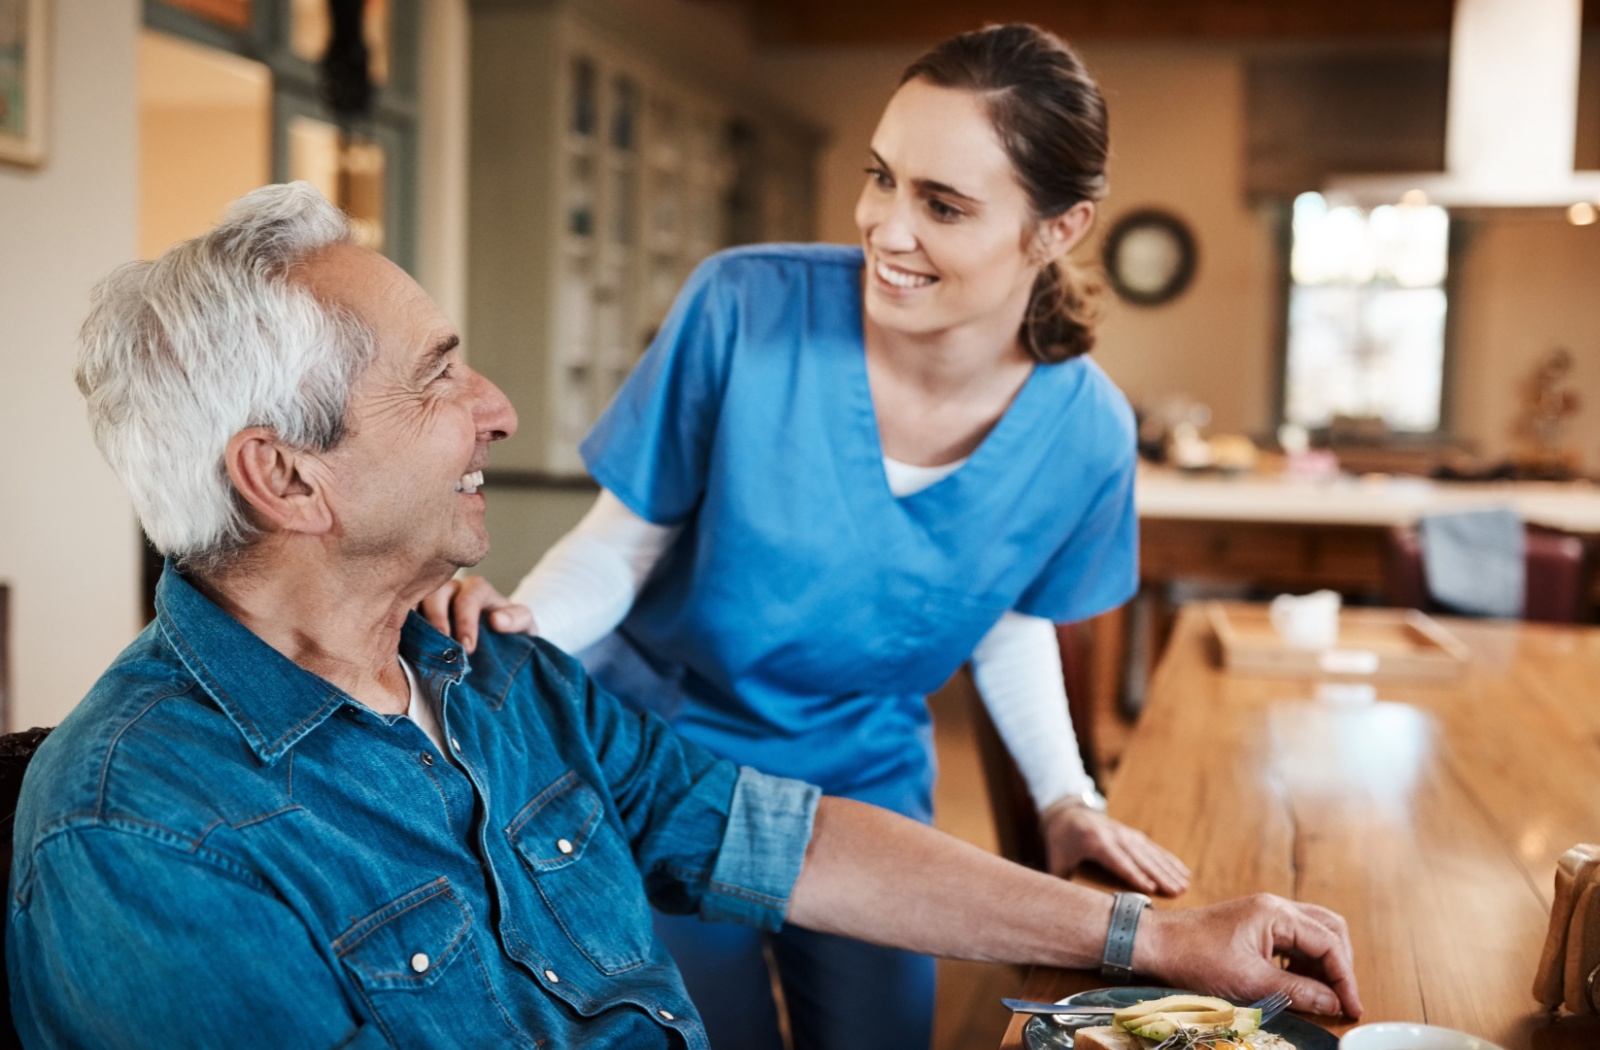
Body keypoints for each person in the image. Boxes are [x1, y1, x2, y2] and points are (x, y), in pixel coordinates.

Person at [6, 183, 1363, 1048]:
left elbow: (789, 839)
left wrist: (1162, 939)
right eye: (438, 380)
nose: (499, 409)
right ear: (286, 476)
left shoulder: (490, 675)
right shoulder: (139, 838)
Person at [429, 24, 1184, 1050]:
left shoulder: (1086, 429)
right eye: (882, 178)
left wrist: (1064, 796)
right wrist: (519, 633)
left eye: (943, 204)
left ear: (1057, 228)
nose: (887, 227)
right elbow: (623, 545)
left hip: (865, 779)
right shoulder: (745, 306)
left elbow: (1003, 615)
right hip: (663, 760)